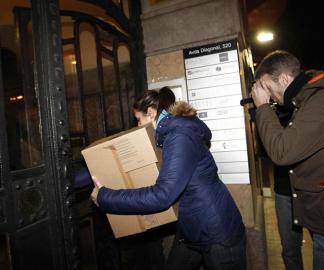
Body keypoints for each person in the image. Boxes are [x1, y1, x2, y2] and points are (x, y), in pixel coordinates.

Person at [91, 87, 247, 270]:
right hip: (192, 229)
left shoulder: (178, 136)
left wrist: (105, 197)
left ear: (150, 113)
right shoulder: (172, 135)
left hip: (218, 234)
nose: (137, 126)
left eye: (138, 120)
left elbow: (163, 195)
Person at [251, 50, 324, 270]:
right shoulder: (310, 97)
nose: (270, 97)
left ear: (283, 79)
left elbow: (282, 151)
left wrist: (262, 107)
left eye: (269, 89)